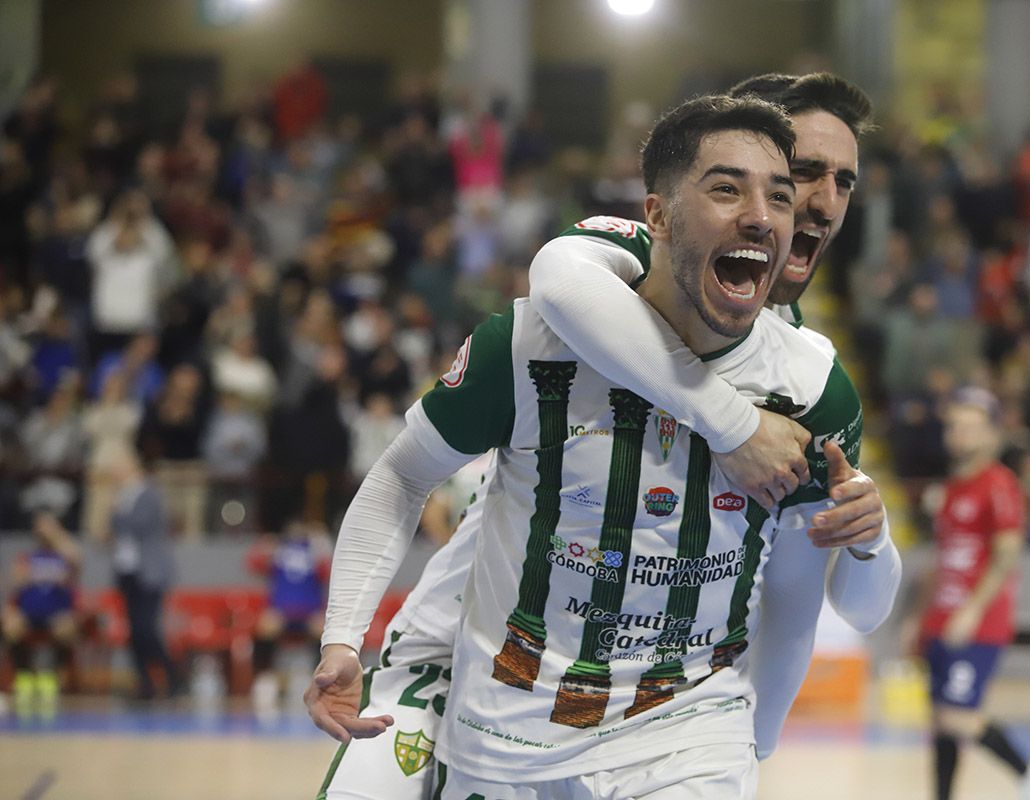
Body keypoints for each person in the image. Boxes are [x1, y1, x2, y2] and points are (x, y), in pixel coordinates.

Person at [314, 72, 897, 800]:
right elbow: (556, 279)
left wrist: (871, 534)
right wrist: (734, 423)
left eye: (838, 181)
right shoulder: (602, 278)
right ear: (666, 207)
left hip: (671, 713)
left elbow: (814, 598)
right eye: (802, 171)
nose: (819, 201)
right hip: (468, 656)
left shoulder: (809, 375)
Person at [901, 387, 1030, 800]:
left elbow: (1008, 552)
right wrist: (917, 617)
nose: (961, 435)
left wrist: (972, 611)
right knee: (941, 721)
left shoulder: (999, 484)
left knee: (958, 716)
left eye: (971, 427)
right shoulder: (952, 487)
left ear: (992, 434)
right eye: (955, 426)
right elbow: (939, 560)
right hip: (942, 619)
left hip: (977, 623)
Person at [104, 446, 180, 701]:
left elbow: (137, 525)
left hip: (150, 572)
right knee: (134, 631)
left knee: (147, 628)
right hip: (128, 571)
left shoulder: (148, 493)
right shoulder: (122, 495)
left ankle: (172, 675)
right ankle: (144, 681)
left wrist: (116, 512)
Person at [245, 520, 333, 715]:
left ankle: (322, 681)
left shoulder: (315, 551)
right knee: (265, 626)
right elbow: (252, 564)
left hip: (310, 611)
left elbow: (330, 573)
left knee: (329, 633)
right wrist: (264, 546)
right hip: (281, 610)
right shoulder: (278, 551)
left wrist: (323, 547)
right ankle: (265, 679)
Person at [2, 509, 81, 717]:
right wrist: (27, 577)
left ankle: (51, 678)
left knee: (66, 628)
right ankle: (25, 676)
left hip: (57, 612)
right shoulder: (27, 557)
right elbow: (15, 583)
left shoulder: (65, 555)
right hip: (29, 612)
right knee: (11, 625)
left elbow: (76, 561)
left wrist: (57, 536)